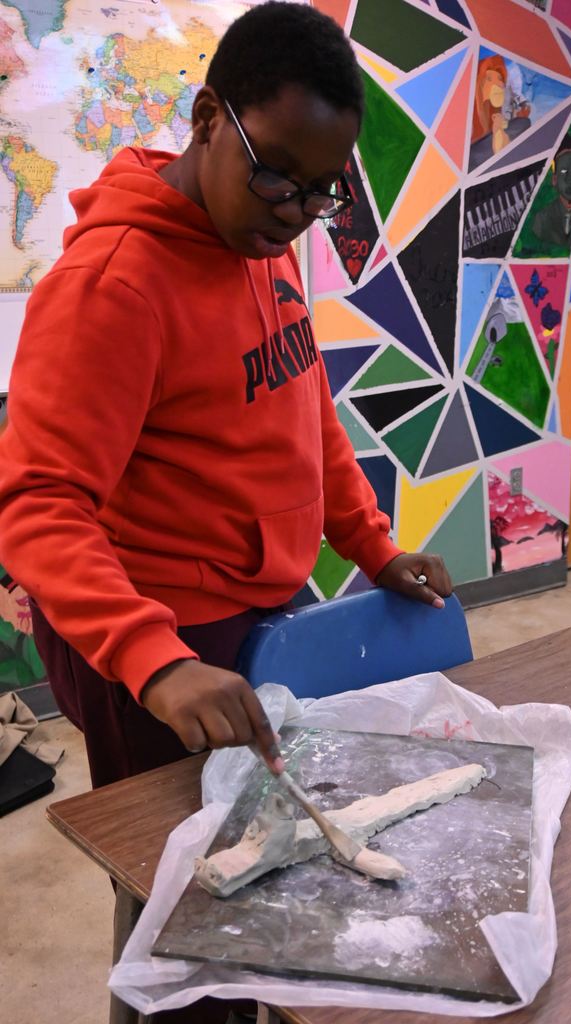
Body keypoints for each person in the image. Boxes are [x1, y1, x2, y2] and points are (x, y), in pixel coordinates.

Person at [0, 3, 452, 792]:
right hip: (156, 632)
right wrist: (156, 660)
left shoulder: (257, 238)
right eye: (277, 174)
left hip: (255, 606)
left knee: (268, 830)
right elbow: (37, 504)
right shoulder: (110, 289)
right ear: (208, 117)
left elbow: (306, 417)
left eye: (320, 192)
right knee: (174, 865)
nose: (296, 214)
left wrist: (372, 546)